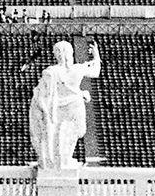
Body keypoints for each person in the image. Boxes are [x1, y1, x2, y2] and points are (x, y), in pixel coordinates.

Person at [28, 39, 101, 170]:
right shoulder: (77, 69)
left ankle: (60, 160)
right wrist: (96, 55)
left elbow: (42, 94)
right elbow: (96, 71)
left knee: (57, 135)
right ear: (71, 53)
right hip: (74, 106)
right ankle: (65, 160)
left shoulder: (51, 72)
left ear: (56, 54)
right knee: (71, 134)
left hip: (57, 109)